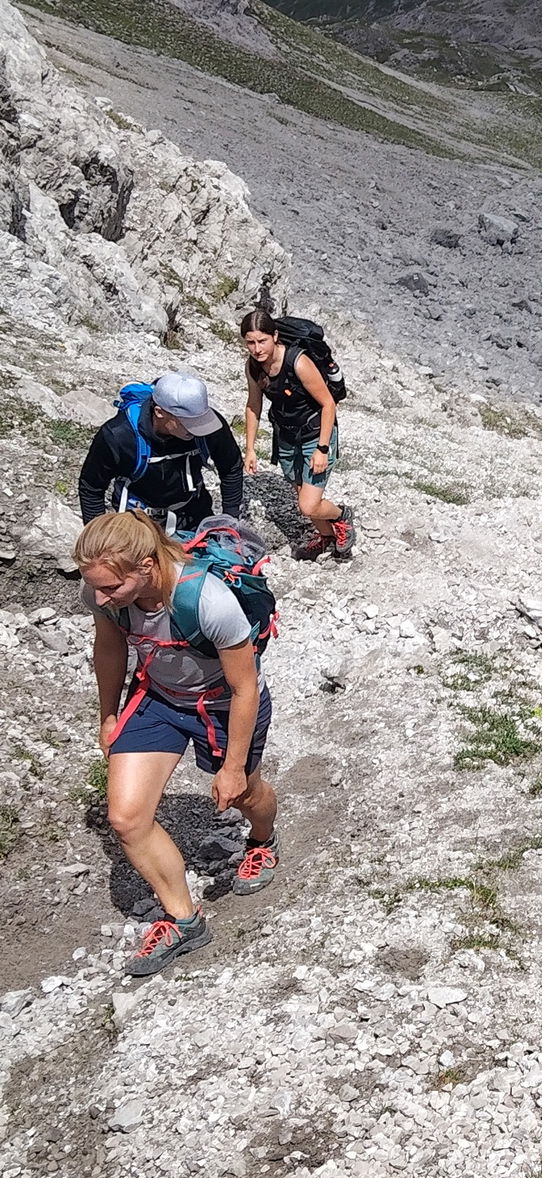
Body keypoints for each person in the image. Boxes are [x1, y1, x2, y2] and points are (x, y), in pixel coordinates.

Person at [76, 511, 281, 976]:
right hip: (158, 697)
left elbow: (245, 688)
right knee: (126, 818)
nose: (100, 597)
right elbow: (109, 647)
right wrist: (108, 714)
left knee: (244, 792)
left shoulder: (207, 599)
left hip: (222, 703)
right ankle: (184, 920)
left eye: (111, 587)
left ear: (147, 567)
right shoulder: (101, 592)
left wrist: (231, 767)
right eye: (96, 587)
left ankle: (263, 840)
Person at [240, 309, 356, 561]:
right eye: (250, 342)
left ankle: (341, 516)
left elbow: (328, 404)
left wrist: (323, 449)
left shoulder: (299, 362)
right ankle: (326, 537)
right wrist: (250, 448)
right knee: (301, 492)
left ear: (275, 336)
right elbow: (253, 405)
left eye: (262, 341)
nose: (257, 348)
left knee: (308, 504)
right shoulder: (253, 367)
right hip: (286, 436)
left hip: (315, 433)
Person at [77, 373, 244, 533]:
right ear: (159, 412)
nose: (197, 428)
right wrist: (98, 541)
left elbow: (231, 467)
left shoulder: (209, 426)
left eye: (199, 420)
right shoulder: (118, 436)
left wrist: (229, 521)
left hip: (193, 514)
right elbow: (91, 487)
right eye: (187, 422)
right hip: (136, 520)